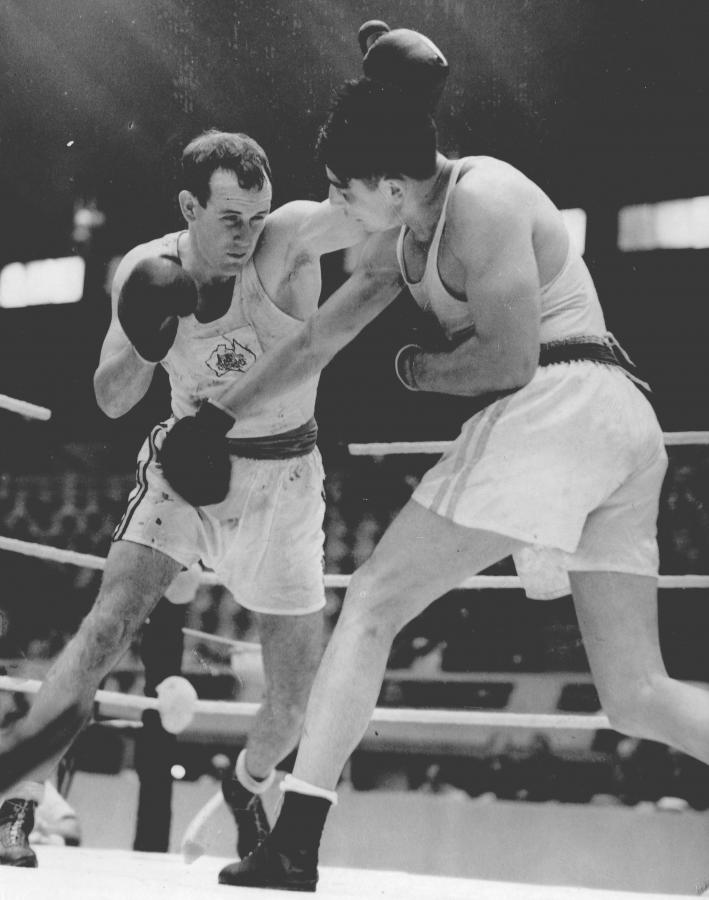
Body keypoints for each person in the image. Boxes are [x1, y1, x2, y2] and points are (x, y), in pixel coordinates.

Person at [168, 78, 709, 893]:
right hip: (611, 426)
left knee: (375, 600)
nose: (332, 202)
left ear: (389, 186)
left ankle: (294, 845)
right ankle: (292, 842)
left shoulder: (483, 199)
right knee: (636, 694)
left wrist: (414, 369)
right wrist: (218, 415)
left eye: (343, 189)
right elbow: (320, 337)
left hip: (561, 401)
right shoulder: (403, 238)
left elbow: (510, 360)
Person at [0, 128, 369, 866]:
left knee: (294, 695)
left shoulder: (289, 238)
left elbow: (377, 210)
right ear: (187, 206)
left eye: (256, 215)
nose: (246, 234)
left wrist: (387, 126)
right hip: (183, 473)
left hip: (286, 480)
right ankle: (19, 803)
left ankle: (247, 783)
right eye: (229, 218)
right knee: (105, 628)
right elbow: (110, 400)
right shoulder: (145, 269)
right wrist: (145, 335)